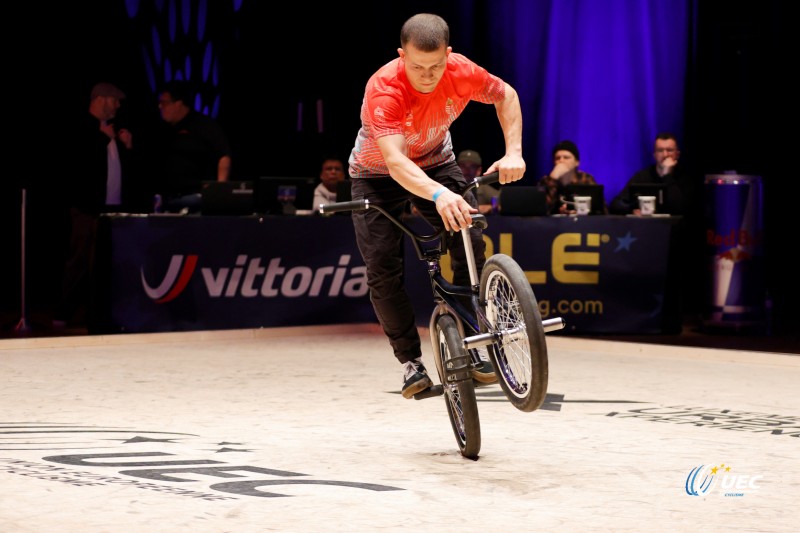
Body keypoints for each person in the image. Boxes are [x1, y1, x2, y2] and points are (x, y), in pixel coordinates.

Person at [347, 13, 525, 399]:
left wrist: (513, 152)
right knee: (381, 266)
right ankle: (411, 363)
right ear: (401, 56)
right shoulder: (385, 88)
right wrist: (440, 195)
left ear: (449, 54)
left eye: (435, 66)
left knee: (467, 234)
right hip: (376, 175)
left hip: (436, 162)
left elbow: (506, 95)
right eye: (416, 66)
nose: (427, 75)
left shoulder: (461, 71)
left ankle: (475, 338)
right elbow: (395, 162)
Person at [54, 82, 136, 328]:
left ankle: (98, 314)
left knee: (104, 265)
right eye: (115, 100)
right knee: (79, 260)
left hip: (111, 209)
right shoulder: (83, 128)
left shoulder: (111, 131)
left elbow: (123, 170)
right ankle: (62, 313)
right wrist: (103, 139)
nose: (118, 105)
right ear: (101, 99)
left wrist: (127, 147)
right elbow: (79, 165)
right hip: (87, 208)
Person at [155, 80, 232, 212]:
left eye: (164, 103)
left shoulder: (204, 125)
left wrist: (218, 192)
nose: (160, 107)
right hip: (168, 199)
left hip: (195, 198)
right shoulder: (163, 129)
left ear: (178, 104)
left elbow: (223, 156)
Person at [609, 132, 694, 215]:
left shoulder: (686, 177)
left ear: (677, 154)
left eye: (670, 150)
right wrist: (632, 209)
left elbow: (682, 208)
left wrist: (667, 176)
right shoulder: (642, 176)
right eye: (660, 150)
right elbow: (615, 205)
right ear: (655, 155)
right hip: (648, 226)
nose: (665, 155)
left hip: (675, 227)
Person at [537, 140, 606, 215]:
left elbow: (601, 210)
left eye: (566, 157)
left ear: (576, 162)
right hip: (554, 224)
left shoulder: (586, 179)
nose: (561, 161)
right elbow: (539, 209)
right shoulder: (546, 180)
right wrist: (553, 178)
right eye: (557, 158)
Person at [457, 150, 500, 215]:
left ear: (479, 170)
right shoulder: (449, 187)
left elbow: (504, 204)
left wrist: (491, 207)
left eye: (472, 166)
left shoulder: (485, 189)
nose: (467, 169)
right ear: (456, 168)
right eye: (463, 166)